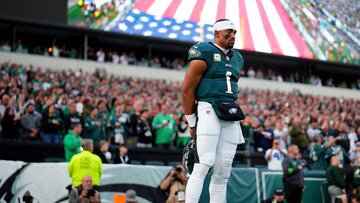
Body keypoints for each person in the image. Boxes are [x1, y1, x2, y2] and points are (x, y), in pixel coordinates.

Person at [182, 19, 245, 202]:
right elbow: (187, 90)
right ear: (216, 34)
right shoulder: (205, 51)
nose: (232, 36)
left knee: (223, 171)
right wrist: (192, 122)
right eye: (228, 32)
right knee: (203, 163)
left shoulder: (238, 58)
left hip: (230, 112)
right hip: (208, 107)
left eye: (234, 32)